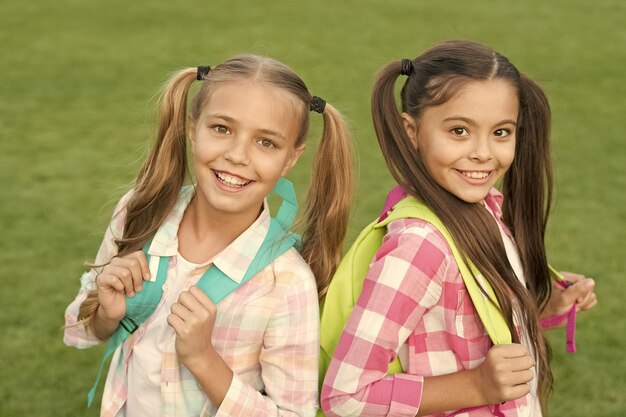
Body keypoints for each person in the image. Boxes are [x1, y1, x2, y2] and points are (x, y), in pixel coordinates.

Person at [64, 54, 354, 417]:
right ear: (192, 128)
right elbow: (79, 330)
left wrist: (203, 360)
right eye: (222, 129)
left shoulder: (287, 282)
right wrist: (107, 312)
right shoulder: (140, 214)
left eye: (266, 143)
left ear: (291, 159)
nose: (236, 155)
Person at [320, 40, 597, 417]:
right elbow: (345, 396)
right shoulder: (420, 248)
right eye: (460, 131)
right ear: (411, 131)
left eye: (501, 132)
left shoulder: (487, 207)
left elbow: (464, 326)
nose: (483, 152)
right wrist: (476, 385)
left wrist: (541, 307)